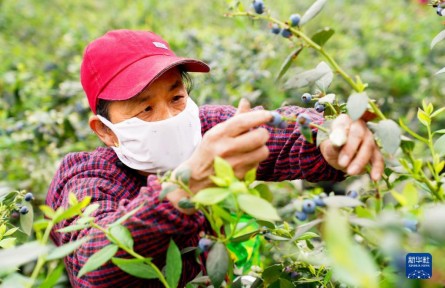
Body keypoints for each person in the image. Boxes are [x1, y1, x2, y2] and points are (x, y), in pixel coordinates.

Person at [46, 29, 383, 287]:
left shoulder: (205, 128)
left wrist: (325, 139)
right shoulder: (86, 178)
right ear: (105, 130)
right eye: (146, 108)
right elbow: (97, 261)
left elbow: (276, 130)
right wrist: (186, 186)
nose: (169, 118)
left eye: (176, 96)